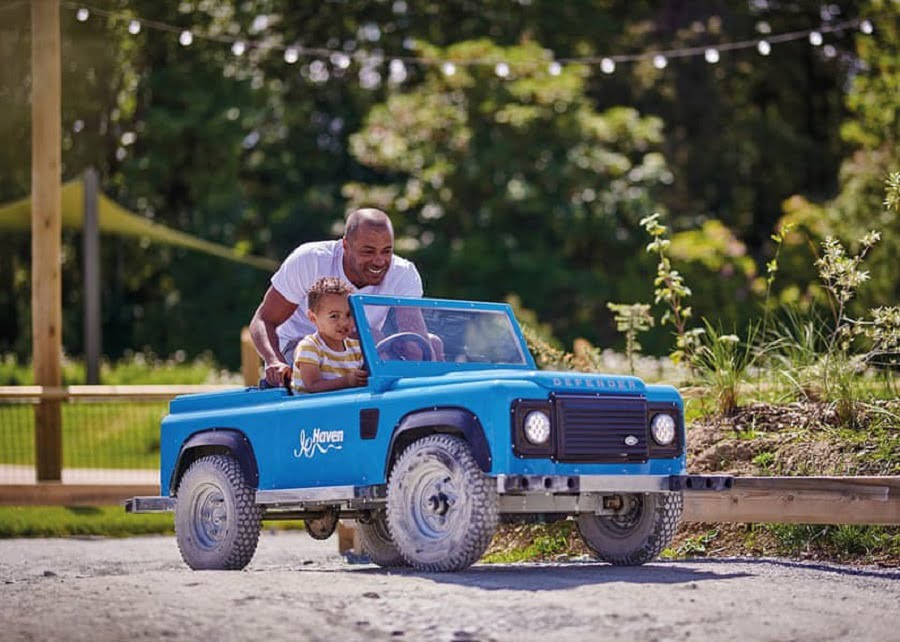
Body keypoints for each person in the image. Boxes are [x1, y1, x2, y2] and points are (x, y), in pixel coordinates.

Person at [249, 207, 428, 386]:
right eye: (368, 252)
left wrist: (418, 362)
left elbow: (414, 339)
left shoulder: (403, 273)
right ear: (345, 246)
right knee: (370, 338)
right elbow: (264, 319)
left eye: (387, 251)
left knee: (430, 342)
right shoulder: (311, 260)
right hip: (301, 353)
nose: (379, 261)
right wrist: (274, 361)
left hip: (360, 351)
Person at [292, 277, 367, 393]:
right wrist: (346, 381)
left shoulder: (356, 348)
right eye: (334, 316)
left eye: (349, 314)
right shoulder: (310, 347)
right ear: (313, 318)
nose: (344, 322)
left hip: (346, 402)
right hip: (312, 404)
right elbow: (312, 386)